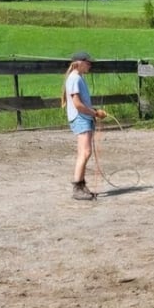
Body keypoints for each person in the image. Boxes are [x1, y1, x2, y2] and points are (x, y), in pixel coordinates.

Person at [61, 51, 107, 200]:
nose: (90, 65)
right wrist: (94, 113)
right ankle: (77, 187)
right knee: (85, 153)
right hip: (81, 118)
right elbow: (78, 104)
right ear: (79, 63)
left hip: (83, 117)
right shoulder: (75, 78)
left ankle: (80, 185)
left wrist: (92, 113)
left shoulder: (77, 78)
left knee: (84, 152)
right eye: (88, 63)